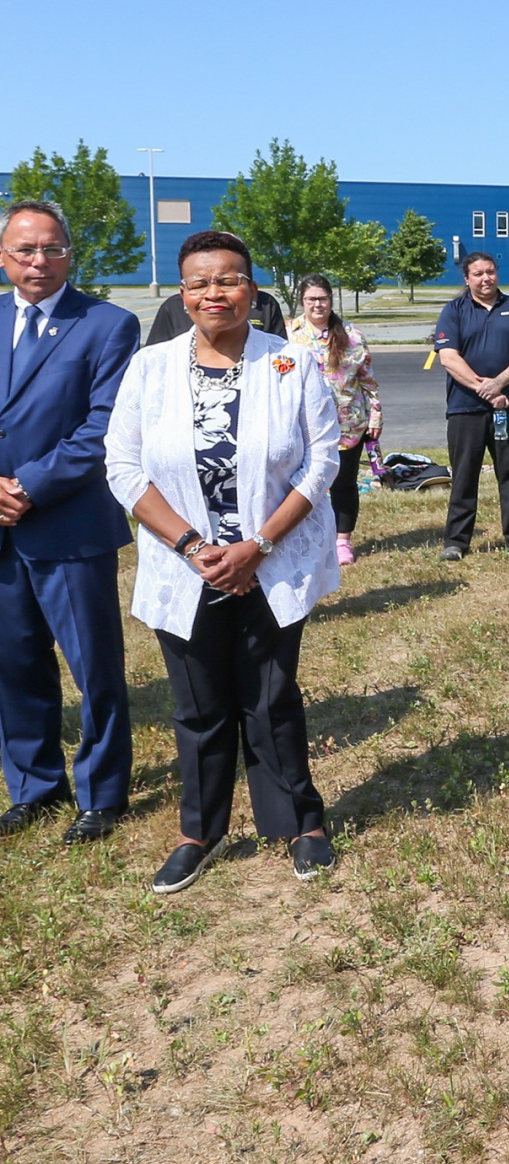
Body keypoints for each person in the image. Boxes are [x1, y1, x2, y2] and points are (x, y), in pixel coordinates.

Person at [105, 230, 343, 892]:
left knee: (271, 698)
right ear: (183, 295)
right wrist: (190, 545)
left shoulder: (291, 363)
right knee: (199, 705)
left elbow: (321, 461)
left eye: (230, 279)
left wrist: (258, 545)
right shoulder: (149, 368)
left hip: (268, 560)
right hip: (187, 566)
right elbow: (122, 466)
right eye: (201, 283)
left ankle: (302, 821)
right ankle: (199, 832)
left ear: (252, 288)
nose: (216, 293)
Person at [0, 200, 140, 844]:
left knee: (93, 666)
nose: (39, 261)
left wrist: (28, 485)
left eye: (52, 248)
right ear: (4, 257)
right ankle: (35, 785)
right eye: (26, 250)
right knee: (14, 663)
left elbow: (104, 424)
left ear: (70, 255)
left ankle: (103, 792)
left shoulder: (107, 324)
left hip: (68, 524)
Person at [434, 252, 509, 560]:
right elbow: (448, 358)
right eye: (478, 273)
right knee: (464, 475)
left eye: (491, 272)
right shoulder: (454, 311)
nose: (486, 278)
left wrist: (500, 383)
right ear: (467, 279)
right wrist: (486, 388)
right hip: (464, 409)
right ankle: (456, 542)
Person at [289, 273, 381, 568]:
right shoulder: (289, 336)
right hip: (302, 425)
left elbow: (368, 381)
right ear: (302, 302)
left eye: (323, 299)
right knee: (306, 484)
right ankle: (309, 537)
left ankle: (342, 541)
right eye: (311, 299)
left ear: (331, 300)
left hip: (348, 424)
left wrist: (376, 415)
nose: (317, 305)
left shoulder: (352, 336)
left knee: (343, 484)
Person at [147, 281, 284, 345]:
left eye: (228, 282)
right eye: (200, 284)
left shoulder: (266, 304)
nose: (213, 294)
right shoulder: (172, 307)